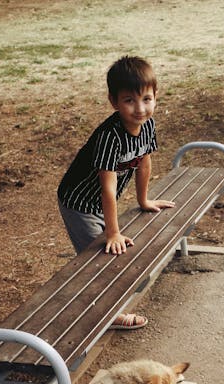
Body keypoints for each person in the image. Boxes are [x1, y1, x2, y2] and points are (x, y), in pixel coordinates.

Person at [57, 55, 175, 330]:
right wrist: (112, 232)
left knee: (111, 252)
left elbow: (144, 162)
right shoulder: (110, 136)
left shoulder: (147, 126)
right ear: (114, 102)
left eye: (146, 99)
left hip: (100, 202)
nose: (140, 108)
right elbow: (107, 189)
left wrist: (143, 200)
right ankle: (107, 315)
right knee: (103, 258)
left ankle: (108, 305)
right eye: (129, 100)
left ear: (156, 97)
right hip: (80, 203)